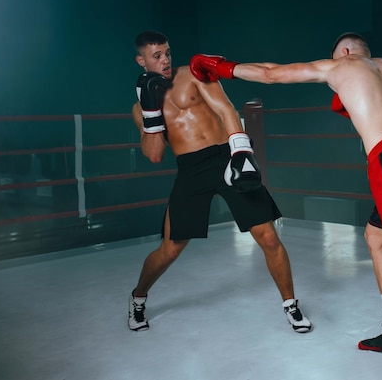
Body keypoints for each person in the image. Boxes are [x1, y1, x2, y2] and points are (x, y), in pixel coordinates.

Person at [188, 33, 382, 380]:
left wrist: (220, 68)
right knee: (376, 237)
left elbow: (270, 73)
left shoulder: (338, 66)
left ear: (343, 52)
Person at [128, 30, 312, 334]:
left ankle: (290, 305)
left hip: (225, 156)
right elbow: (155, 153)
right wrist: (151, 113)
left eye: (167, 53)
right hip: (190, 168)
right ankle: (137, 298)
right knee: (171, 249)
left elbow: (226, 109)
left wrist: (240, 150)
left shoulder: (192, 74)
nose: (164, 60)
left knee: (267, 236)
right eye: (156, 56)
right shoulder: (139, 107)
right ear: (141, 60)